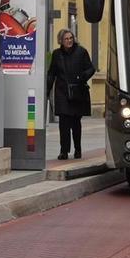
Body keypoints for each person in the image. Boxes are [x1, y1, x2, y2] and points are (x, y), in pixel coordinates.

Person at [47, 29, 95, 160]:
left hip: (77, 92)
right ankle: (64, 151)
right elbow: (52, 73)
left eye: (71, 38)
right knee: (63, 123)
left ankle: (78, 149)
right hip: (62, 92)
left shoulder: (81, 52)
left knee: (75, 123)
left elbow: (91, 68)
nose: (69, 41)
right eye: (66, 39)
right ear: (61, 41)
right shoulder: (57, 54)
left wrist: (82, 77)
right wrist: (47, 90)